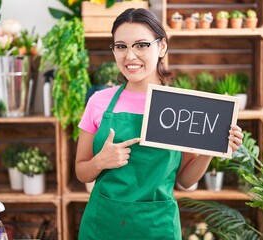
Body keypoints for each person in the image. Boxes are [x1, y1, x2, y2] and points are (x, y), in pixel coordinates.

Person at [75, 8, 244, 240]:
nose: (130, 56)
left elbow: (184, 180)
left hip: (158, 228)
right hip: (103, 225)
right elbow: (82, 172)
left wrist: (211, 149)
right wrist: (100, 162)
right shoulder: (98, 102)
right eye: (121, 46)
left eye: (141, 45)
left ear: (162, 46)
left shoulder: (181, 106)